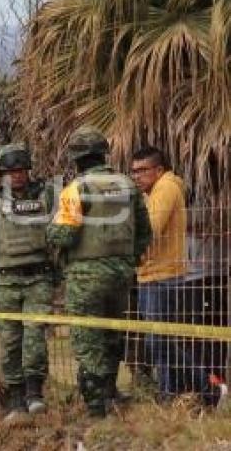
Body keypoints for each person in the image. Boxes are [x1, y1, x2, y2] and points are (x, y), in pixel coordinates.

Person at [47, 126, 152, 418]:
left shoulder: (75, 189)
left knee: (87, 339)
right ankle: (110, 394)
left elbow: (64, 236)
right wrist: (129, 259)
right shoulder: (128, 186)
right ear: (104, 154)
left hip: (85, 277)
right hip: (121, 274)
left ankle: (96, 411)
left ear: (76, 159)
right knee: (112, 335)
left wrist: (50, 230)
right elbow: (145, 232)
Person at [0, 143, 55, 422]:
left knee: (35, 337)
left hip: (38, 277)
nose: (16, 176)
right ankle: (15, 399)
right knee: (8, 341)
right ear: (1, 174)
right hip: (4, 280)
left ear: (28, 170)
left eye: (21, 170)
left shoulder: (46, 195)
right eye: (10, 171)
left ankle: (34, 394)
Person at [131, 146, 196, 399]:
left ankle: (204, 388)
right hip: (154, 274)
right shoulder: (154, 191)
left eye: (143, 170)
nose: (136, 176)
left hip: (162, 275)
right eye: (134, 171)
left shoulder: (165, 188)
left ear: (159, 170)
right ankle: (172, 393)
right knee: (161, 342)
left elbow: (150, 229)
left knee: (160, 341)